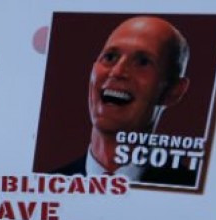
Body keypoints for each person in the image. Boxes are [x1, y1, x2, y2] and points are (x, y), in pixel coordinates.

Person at [50, 16, 194, 186]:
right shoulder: (44, 186)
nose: (117, 71)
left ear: (174, 91)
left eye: (142, 62)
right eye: (110, 57)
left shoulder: (190, 188)